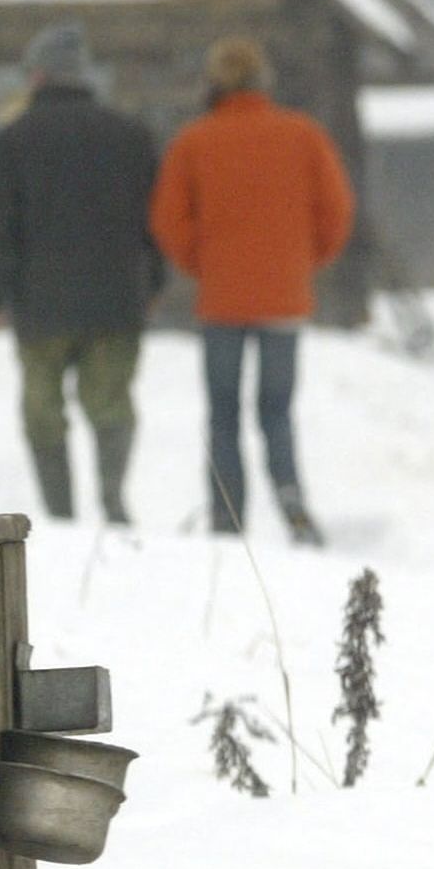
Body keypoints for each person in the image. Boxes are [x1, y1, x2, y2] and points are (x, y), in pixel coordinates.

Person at [150, 35, 355, 548]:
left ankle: (226, 516)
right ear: (265, 79)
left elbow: (168, 219)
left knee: (223, 411)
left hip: (221, 300)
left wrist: (203, 263)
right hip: (284, 297)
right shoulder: (303, 135)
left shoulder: (194, 141)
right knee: (277, 409)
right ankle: (291, 501)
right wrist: (306, 261)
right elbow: (337, 211)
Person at [0, 23, 164, 526]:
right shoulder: (130, 135)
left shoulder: (14, 140)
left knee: (43, 410)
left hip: (42, 302)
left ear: (37, 75)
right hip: (115, 298)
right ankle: (112, 499)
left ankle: (60, 517)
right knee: (111, 403)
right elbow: (154, 220)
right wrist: (155, 283)